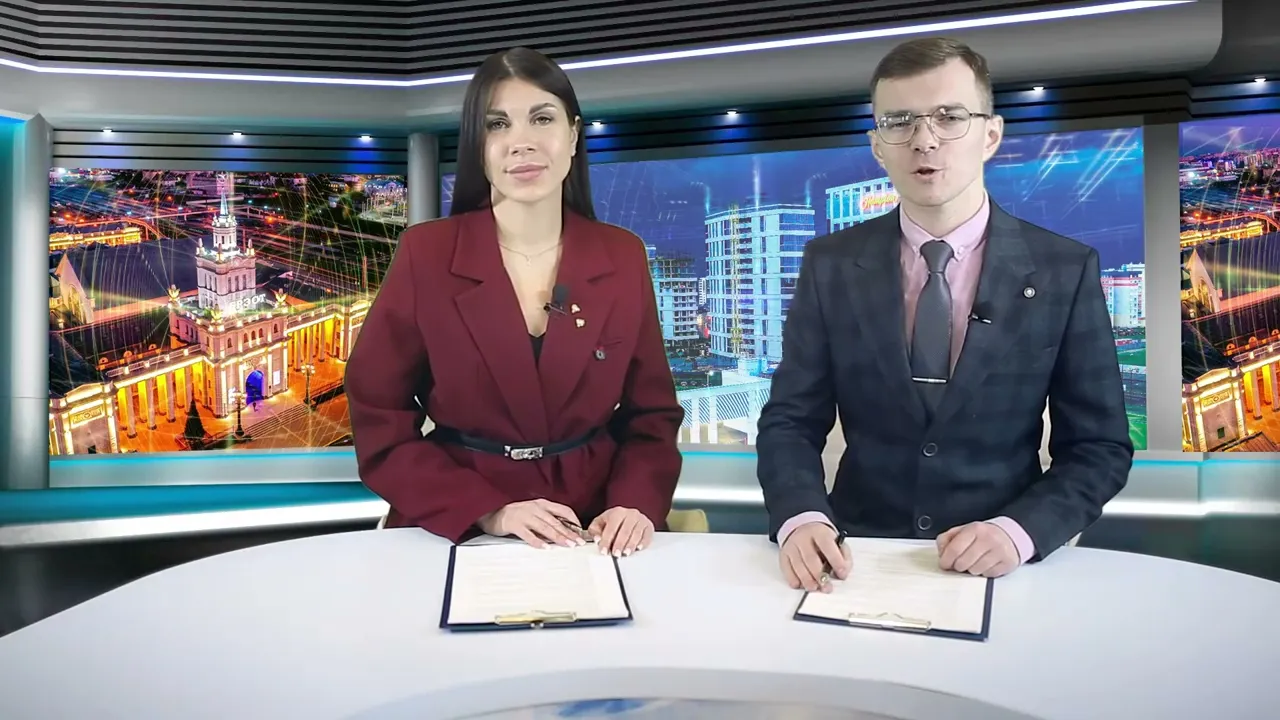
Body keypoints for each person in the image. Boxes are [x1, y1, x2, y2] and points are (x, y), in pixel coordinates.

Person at [756, 37, 1133, 591]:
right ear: (877, 145)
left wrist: (1018, 532)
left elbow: (1099, 448)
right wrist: (801, 516)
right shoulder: (830, 264)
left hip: (1001, 567)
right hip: (855, 559)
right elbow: (790, 420)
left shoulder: (1064, 269)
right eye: (899, 122)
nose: (924, 140)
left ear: (991, 135)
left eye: (949, 117)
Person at [345, 47, 684, 556]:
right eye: (498, 124)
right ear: (478, 146)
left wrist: (633, 502)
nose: (521, 142)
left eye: (541, 119)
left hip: (595, 524)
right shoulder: (426, 253)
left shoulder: (622, 255)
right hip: (460, 517)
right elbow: (380, 416)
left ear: (573, 134)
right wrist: (489, 511)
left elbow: (652, 416)